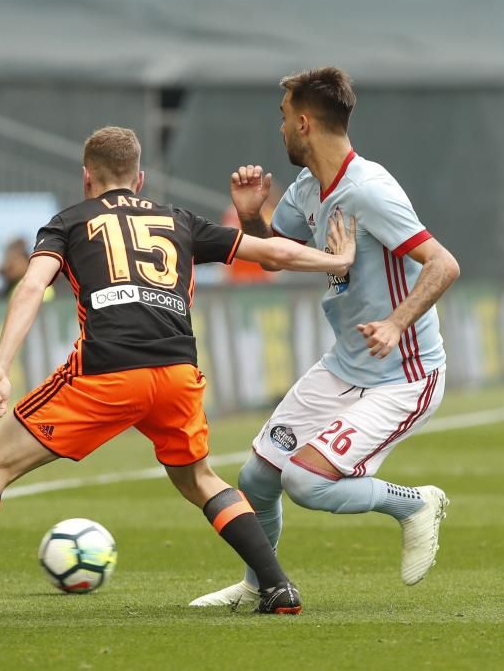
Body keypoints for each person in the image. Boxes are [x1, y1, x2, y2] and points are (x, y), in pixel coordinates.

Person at [0, 125, 359, 622]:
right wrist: (335, 259)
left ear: (87, 178)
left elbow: (33, 286)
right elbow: (273, 252)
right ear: (139, 178)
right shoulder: (178, 219)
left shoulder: (69, 222)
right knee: (199, 479)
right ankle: (278, 587)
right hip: (176, 374)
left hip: (107, 373)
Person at [189, 67, 460, 610]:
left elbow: (444, 264)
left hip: (403, 376)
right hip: (345, 366)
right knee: (256, 476)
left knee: (307, 482)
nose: (282, 129)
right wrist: (250, 219)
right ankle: (258, 585)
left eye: (285, 117)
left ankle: (414, 503)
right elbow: (275, 257)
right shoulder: (307, 190)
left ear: (305, 122)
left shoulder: (370, 191)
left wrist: (395, 322)